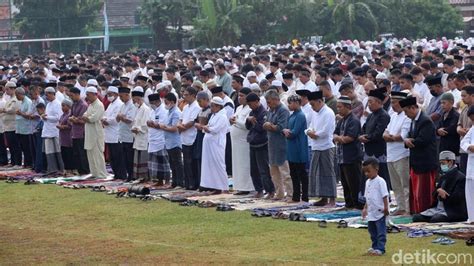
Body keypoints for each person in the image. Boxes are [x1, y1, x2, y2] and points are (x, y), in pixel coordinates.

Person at [400, 96, 438, 214]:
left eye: (406, 111)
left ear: (413, 108)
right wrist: (407, 141)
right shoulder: (413, 121)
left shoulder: (425, 120)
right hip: (416, 162)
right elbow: (410, 137)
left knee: (424, 191)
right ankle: (416, 212)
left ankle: (424, 213)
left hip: (425, 163)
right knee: (416, 192)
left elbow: (422, 140)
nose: (406, 115)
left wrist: (409, 141)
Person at [412, 151, 467, 223]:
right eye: (440, 163)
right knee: (416, 217)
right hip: (438, 209)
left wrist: (445, 195)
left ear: (450, 162)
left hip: (451, 210)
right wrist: (438, 191)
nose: (441, 165)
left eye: (443, 163)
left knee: (436, 219)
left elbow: (459, 199)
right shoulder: (443, 176)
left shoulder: (460, 178)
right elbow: (435, 193)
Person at [307, 91, 337, 206]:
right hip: (315, 146)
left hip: (326, 146)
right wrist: (309, 132)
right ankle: (323, 197)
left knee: (328, 173)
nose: (312, 107)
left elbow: (326, 131)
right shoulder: (315, 113)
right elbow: (310, 126)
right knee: (318, 173)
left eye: (313, 104)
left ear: (320, 101)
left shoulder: (328, 113)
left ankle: (332, 199)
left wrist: (315, 134)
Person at [383, 91, 411, 216]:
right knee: (395, 185)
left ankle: (408, 208)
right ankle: (400, 206)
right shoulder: (393, 115)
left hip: (402, 154)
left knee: (405, 184)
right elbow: (385, 132)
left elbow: (403, 136)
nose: (392, 105)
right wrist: (388, 136)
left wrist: (391, 137)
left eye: (394, 102)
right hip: (391, 154)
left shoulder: (406, 116)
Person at [360, 89, 391, 196]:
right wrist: (362, 136)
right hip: (369, 149)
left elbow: (379, 133)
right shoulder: (371, 115)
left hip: (378, 150)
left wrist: (367, 137)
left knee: (380, 175)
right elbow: (364, 128)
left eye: (370, 102)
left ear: (378, 102)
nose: (369, 104)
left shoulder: (384, 115)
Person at [334, 96, 363, 209]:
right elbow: (335, 134)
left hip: (352, 156)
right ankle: (349, 203)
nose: (338, 109)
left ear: (348, 107)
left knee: (354, 182)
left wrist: (339, 138)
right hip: (342, 156)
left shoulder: (354, 120)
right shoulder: (342, 120)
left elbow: (350, 138)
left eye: (340, 107)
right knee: (345, 182)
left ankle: (357, 204)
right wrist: (340, 138)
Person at [264, 90, 292, 200]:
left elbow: (282, 127)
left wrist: (269, 126)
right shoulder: (270, 110)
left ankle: (290, 194)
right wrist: (268, 125)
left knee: (285, 172)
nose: (268, 104)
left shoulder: (283, 110)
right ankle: (279, 193)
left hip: (281, 145)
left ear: (276, 99)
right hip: (272, 145)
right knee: (274, 173)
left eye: (269, 102)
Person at [197, 97, 229, 193]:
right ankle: (215, 186)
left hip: (217, 144)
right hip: (210, 144)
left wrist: (203, 127)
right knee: (210, 165)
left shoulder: (222, 116)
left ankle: (224, 186)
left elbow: (215, 129)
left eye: (212, 106)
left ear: (218, 106)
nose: (211, 108)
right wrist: (205, 127)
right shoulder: (214, 115)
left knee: (219, 164)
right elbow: (209, 126)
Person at [246, 92, 274, 198]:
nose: (250, 106)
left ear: (257, 101)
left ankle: (270, 190)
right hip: (252, 143)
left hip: (262, 143)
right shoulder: (251, 112)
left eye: (251, 104)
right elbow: (248, 127)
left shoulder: (264, 113)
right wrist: (248, 120)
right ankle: (259, 190)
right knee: (254, 170)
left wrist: (254, 122)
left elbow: (262, 128)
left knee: (264, 169)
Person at [283, 95, 309, 202]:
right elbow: (287, 129)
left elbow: (294, 132)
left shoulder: (301, 116)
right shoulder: (292, 115)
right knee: (293, 173)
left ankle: (305, 195)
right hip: (291, 147)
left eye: (291, 103)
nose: (289, 105)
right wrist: (285, 131)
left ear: (298, 103)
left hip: (299, 147)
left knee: (301, 173)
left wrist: (286, 132)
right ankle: (296, 195)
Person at [362, 158, 389, 256]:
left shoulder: (380, 181)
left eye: (368, 171)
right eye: (364, 172)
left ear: (376, 169)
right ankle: (374, 246)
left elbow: (385, 195)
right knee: (372, 231)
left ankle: (381, 248)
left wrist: (386, 207)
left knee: (380, 231)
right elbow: (367, 196)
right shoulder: (367, 182)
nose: (366, 174)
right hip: (371, 212)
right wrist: (365, 208)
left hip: (380, 211)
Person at [230, 87, 254, 194]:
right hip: (236, 141)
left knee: (245, 164)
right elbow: (235, 120)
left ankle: (247, 187)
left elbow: (246, 125)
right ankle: (239, 186)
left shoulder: (250, 109)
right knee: (237, 164)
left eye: (242, 96)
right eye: (239, 96)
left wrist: (236, 121)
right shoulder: (239, 108)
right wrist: (232, 120)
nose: (239, 98)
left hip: (244, 141)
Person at [178, 87, 201, 190]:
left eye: (186, 95)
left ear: (193, 95)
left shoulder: (197, 107)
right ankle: (187, 183)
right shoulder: (186, 107)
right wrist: (179, 125)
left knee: (192, 162)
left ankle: (194, 183)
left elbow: (192, 122)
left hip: (192, 136)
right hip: (184, 136)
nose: (184, 96)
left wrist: (183, 127)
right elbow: (181, 119)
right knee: (186, 162)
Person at [82, 86, 108, 178]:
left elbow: (93, 118)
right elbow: (85, 115)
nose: (87, 97)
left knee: (97, 154)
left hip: (96, 133)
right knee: (90, 154)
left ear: (94, 95)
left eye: (88, 95)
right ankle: (94, 173)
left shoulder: (99, 105)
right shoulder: (90, 105)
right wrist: (86, 117)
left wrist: (87, 118)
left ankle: (101, 174)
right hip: (89, 132)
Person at [161, 93, 185, 188]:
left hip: (175, 141)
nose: (165, 104)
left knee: (177, 163)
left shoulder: (176, 112)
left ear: (172, 102)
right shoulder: (169, 111)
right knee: (172, 163)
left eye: (166, 102)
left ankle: (180, 182)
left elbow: (175, 128)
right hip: (169, 141)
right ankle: (174, 182)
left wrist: (163, 127)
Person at [147, 93, 171, 185]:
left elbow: (163, 125)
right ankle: (159, 180)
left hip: (161, 139)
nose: (151, 105)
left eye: (152, 103)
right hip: (153, 139)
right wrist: (150, 123)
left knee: (163, 162)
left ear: (157, 101)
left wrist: (153, 124)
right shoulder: (152, 111)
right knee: (155, 162)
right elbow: (151, 122)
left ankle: (167, 180)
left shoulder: (164, 111)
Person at [102, 86, 124, 178]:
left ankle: (121, 174)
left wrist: (106, 120)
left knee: (118, 156)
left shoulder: (119, 104)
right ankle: (116, 174)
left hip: (116, 133)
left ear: (116, 94)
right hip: (109, 133)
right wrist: (104, 119)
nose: (109, 96)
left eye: (110, 94)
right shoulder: (111, 104)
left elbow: (116, 119)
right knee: (112, 157)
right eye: (108, 94)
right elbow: (105, 115)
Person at [41, 87, 65, 174]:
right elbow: (47, 116)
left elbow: (58, 117)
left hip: (55, 130)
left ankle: (61, 169)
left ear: (52, 94)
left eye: (47, 94)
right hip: (47, 131)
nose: (46, 96)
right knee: (49, 152)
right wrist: (44, 117)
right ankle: (52, 169)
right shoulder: (48, 104)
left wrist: (47, 117)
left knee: (58, 151)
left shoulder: (58, 104)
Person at [68, 87, 90, 175]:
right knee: (76, 153)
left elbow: (83, 120)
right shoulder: (74, 104)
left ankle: (85, 171)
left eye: (72, 96)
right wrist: (72, 118)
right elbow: (71, 115)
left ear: (77, 94)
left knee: (82, 154)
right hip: (74, 132)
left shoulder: (83, 105)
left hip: (81, 132)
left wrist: (74, 119)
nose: (71, 98)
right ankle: (79, 170)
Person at [131, 87, 151, 181]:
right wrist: (134, 128)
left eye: (135, 99)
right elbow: (135, 121)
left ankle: (144, 177)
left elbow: (146, 125)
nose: (134, 101)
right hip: (137, 137)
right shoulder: (137, 109)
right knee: (137, 157)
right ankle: (139, 177)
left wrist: (138, 129)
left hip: (143, 136)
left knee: (143, 158)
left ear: (139, 99)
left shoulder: (145, 109)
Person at [116, 86, 136, 181]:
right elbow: (118, 117)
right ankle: (128, 175)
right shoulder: (123, 105)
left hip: (129, 135)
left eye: (121, 96)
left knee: (130, 158)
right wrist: (120, 116)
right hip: (122, 135)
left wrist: (121, 117)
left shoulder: (132, 105)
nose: (120, 98)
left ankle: (132, 175)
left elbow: (130, 120)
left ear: (127, 95)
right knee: (124, 157)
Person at [194, 91, 212, 188]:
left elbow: (208, 126)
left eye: (200, 101)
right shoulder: (201, 111)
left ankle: (207, 185)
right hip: (199, 137)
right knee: (199, 159)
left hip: (206, 137)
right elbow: (195, 122)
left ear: (206, 100)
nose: (199, 104)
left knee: (205, 160)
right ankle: (201, 184)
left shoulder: (210, 111)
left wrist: (200, 126)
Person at [460, 105, 474, 223]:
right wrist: (470, 147)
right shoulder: (472, 129)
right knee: (470, 193)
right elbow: (463, 142)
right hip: (471, 164)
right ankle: (472, 218)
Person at [2, 82, 21, 166]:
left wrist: (4, 110)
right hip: (7, 125)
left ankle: (17, 162)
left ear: (13, 89)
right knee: (10, 145)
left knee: (15, 145)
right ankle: (13, 161)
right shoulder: (9, 99)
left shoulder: (16, 99)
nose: (6, 91)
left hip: (13, 125)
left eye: (8, 89)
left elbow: (12, 109)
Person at [14, 87, 33, 168]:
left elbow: (29, 115)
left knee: (27, 147)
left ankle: (29, 163)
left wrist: (20, 113)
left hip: (26, 129)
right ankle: (26, 163)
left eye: (16, 95)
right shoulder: (22, 102)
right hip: (21, 129)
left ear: (20, 94)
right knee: (23, 147)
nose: (16, 97)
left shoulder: (28, 102)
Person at [457, 86, 474, 174]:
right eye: (461, 96)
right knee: (464, 175)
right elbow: (459, 124)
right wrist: (459, 129)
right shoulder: (464, 109)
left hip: (472, 147)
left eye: (464, 96)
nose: (462, 98)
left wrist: (469, 130)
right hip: (464, 147)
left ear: (472, 95)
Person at [58, 99, 73, 174]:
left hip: (68, 137)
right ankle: (66, 170)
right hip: (63, 138)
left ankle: (70, 170)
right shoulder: (63, 115)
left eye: (64, 106)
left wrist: (62, 127)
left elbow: (70, 126)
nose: (62, 107)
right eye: (62, 106)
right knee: (64, 154)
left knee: (68, 155)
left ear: (69, 106)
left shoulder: (69, 114)